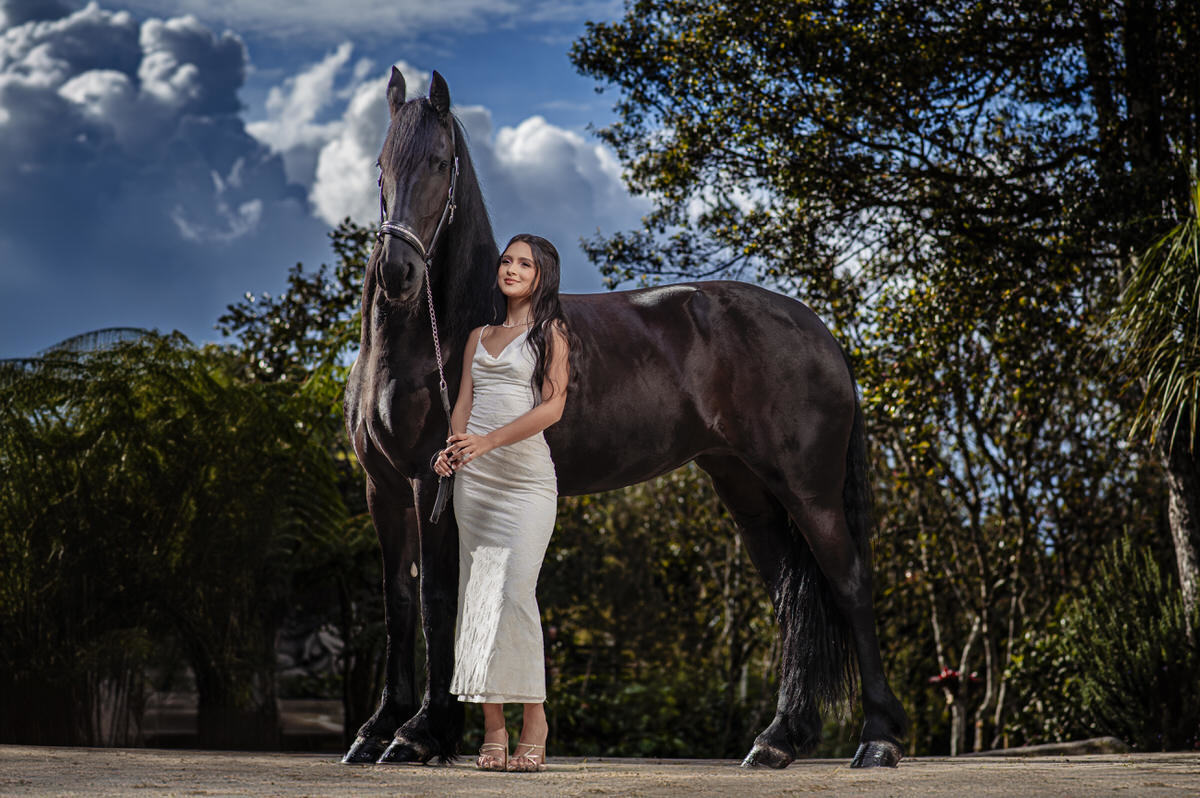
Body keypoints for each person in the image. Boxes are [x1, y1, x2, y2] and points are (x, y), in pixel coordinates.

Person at [433, 233, 574, 772]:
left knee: (513, 593)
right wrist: (453, 450)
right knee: (479, 597)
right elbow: (464, 404)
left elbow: (553, 408)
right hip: (476, 482)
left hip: (526, 481)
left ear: (542, 276)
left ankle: (535, 719)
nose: (511, 269)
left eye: (525, 264)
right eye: (507, 261)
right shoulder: (479, 335)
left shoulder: (551, 333)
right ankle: (493, 727)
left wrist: (488, 442)